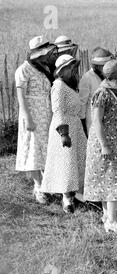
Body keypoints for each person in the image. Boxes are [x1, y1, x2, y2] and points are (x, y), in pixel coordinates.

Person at [83, 59, 117, 235]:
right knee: (113, 180)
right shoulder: (102, 93)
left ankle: (107, 217)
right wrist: (105, 145)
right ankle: (112, 222)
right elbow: (97, 121)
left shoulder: (112, 92)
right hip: (102, 142)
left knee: (108, 179)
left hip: (111, 140)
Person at [40, 54, 87, 214]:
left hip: (75, 125)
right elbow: (58, 110)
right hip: (65, 127)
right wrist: (64, 133)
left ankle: (76, 192)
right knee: (66, 162)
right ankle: (66, 198)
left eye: (74, 68)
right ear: (62, 70)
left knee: (78, 159)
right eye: (70, 68)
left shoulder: (69, 85)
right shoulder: (58, 86)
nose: (73, 71)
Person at [15, 36, 57, 204]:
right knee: (33, 148)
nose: (48, 56)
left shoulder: (44, 69)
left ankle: (47, 183)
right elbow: (21, 97)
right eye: (46, 53)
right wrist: (27, 118)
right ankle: (38, 186)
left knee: (45, 147)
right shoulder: (23, 70)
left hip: (46, 113)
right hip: (32, 113)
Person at [78, 47, 113, 136]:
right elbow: (82, 103)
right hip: (93, 123)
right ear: (96, 65)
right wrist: (83, 128)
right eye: (104, 65)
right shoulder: (87, 78)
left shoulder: (108, 77)